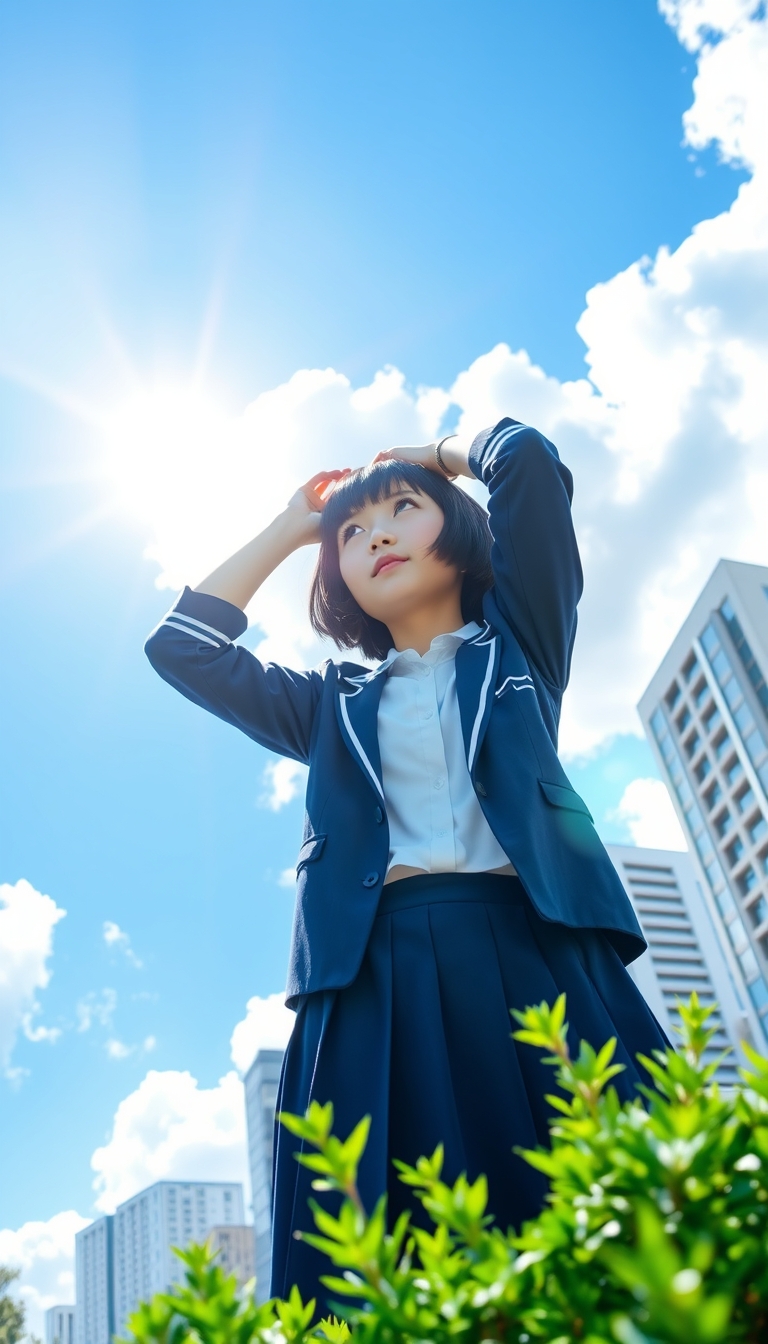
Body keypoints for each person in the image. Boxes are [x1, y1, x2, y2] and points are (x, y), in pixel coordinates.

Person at [145, 417, 667, 1308]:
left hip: (538, 949)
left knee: (618, 1217)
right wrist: (288, 528)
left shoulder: (521, 644)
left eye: (401, 511)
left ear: (460, 537)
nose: (376, 533)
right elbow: (182, 649)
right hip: (370, 982)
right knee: (377, 1260)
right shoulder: (327, 707)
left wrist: (431, 457)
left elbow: (531, 464)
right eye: (352, 534)